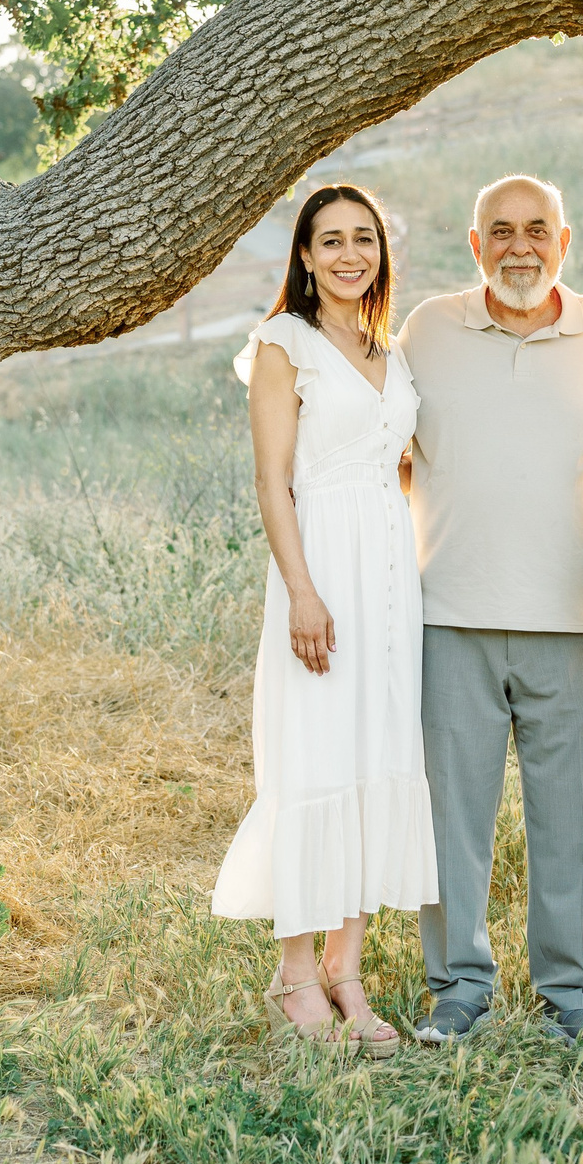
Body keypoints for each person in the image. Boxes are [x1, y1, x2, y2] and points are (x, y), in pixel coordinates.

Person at [397, 174, 583, 1047]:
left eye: (537, 229)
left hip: (573, 618)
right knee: (451, 821)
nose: (519, 246)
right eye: (500, 230)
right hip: (448, 614)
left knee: (572, 820)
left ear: (564, 242)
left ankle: (574, 996)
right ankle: (458, 990)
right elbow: (385, 444)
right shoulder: (428, 330)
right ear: (475, 245)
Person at [212, 183, 436, 1058]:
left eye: (364, 238)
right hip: (321, 570)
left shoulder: (391, 350)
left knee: (376, 755)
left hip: (391, 577)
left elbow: (396, 464)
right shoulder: (285, 343)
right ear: (304, 255)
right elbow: (274, 480)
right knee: (315, 756)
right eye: (331, 240)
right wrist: (303, 589)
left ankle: (348, 969)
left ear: (383, 252)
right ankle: (295, 971)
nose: (350, 254)